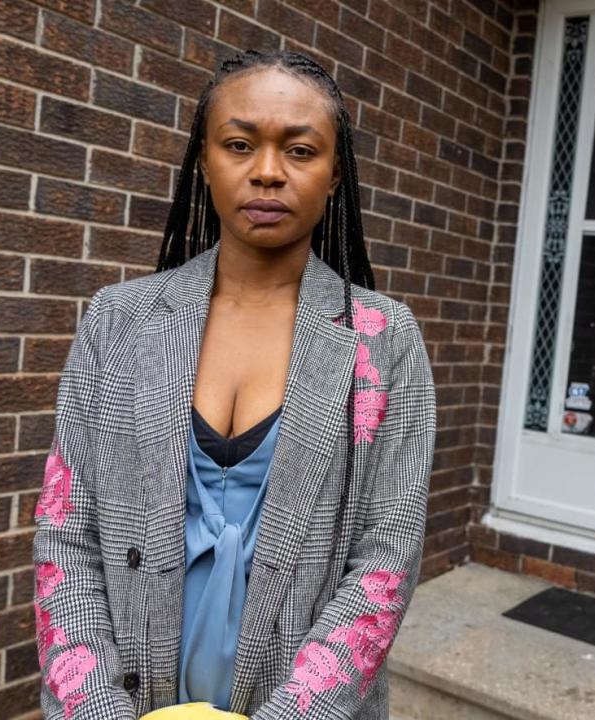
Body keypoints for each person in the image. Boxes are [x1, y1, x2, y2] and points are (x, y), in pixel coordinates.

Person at [32, 49, 437, 720]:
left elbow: (384, 563)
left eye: (300, 150)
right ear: (204, 161)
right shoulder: (119, 320)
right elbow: (66, 533)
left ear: (335, 173)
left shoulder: (383, 341)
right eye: (240, 144)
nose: (268, 172)